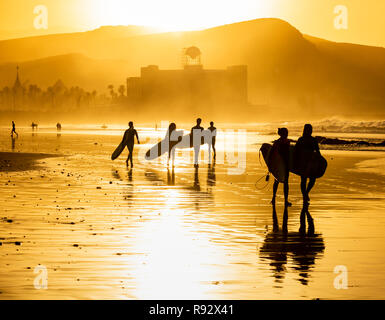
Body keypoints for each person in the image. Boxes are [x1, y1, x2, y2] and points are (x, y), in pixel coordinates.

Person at [294, 124, 321, 203]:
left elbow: (317, 151)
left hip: (311, 162)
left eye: (311, 129)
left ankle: (306, 193)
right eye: (309, 129)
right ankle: (304, 195)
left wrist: (320, 159)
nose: (310, 131)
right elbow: (295, 151)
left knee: (312, 180)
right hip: (302, 162)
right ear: (305, 130)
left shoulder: (313, 140)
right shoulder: (301, 139)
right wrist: (295, 161)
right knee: (304, 180)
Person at [269, 128, 291, 207]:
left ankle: (275, 199)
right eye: (286, 133)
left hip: (280, 164)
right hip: (282, 164)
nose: (287, 134)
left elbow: (271, 154)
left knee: (278, 182)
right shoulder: (283, 142)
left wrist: (270, 165)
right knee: (283, 183)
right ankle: (282, 200)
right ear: (283, 134)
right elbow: (272, 153)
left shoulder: (279, 142)